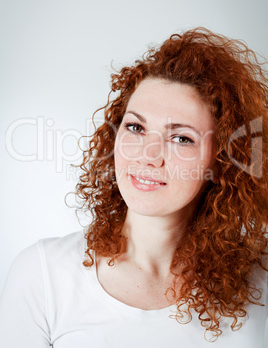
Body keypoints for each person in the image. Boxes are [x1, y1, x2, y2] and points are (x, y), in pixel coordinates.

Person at [0, 28, 267, 348]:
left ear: (222, 159)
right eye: (136, 127)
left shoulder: (260, 277)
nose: (148, 156)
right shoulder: (42, 275)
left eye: (181, 138)